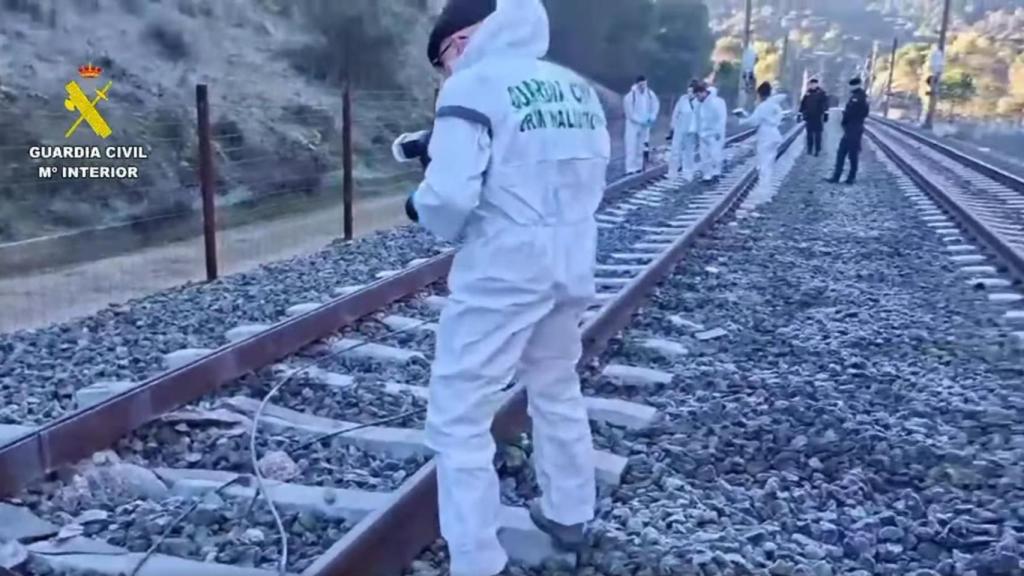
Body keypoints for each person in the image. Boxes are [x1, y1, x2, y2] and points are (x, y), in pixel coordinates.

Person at [410, 0, 609, 574]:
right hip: (573, 257)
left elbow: (449, 199)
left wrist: (419, 204)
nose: (447, 72)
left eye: (444, 59)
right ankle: (571, 511)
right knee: (555, 382)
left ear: (461, 41)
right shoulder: (574, 87)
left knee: (458, 416)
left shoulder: (471, 86)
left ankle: (477, 560)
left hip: (505, 268)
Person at [736, 81, 787, 201]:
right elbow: (779, 118)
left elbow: (754, 121)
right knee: (769, 163)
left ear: (760, 94)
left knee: (764, 164)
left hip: (766, 136)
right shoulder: (776, 106)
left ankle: (763, 192)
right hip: (775, 135)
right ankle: (766, 190)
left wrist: (742, 119)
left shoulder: (762, 106)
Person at [827, 77, 870, 185]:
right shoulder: (858, 96)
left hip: (854, 128)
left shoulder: (859, 98)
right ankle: (838, 176)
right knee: (842, 153)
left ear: (856, 85)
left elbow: (858, 113)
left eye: (851, 85)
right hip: (851, 128)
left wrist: (847, 118)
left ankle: (849, 177)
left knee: (851, 154)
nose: (850, 87)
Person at [623, 75, 659, 175]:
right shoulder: (631, 96)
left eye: (644, 84)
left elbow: (655, 105)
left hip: (645, 124)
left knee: (641, 146)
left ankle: (638, 166)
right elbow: (629, 113)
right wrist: (640, 120)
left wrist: (652, 116)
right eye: (641, 85)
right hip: (632, 125)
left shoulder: (650, 94)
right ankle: (630, 168)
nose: (643, 86)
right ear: (637, 84)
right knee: (631, 146)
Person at [694, 82, 727, 183]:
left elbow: (721, 118)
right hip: (703, 134)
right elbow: (698, 119)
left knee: (715, 154)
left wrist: (718, 131)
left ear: (703, 92)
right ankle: (707, 176)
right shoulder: (699, 104)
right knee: (704, 155)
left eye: (698, 95)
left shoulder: (717, 102)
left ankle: (716, 173)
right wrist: (697, 131)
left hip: (714, 134)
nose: (697, 98)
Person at [668, 80, 699, 182]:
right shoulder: (682, 99)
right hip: (679, 129)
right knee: (675, 151)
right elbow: (676, 113)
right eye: (688, 91)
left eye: (691, 92)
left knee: (689, 153)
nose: (689, 94)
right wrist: (672, 126)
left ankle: (688, 173)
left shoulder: (698, 102)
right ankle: (672, 173)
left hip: (691, 132)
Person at [799, 78, 829, 156]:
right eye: (811, 84)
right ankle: (809, 148)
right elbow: (803, 104)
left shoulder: (821, 93)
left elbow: (825, 104)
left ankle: (817, 150)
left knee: (818, 134)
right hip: (809, 116)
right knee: (809, 134)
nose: (813, 85)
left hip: (818, 116)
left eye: (814, 84)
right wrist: (800, 113)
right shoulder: (807, 93)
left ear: (817, 84)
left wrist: (826, 114)